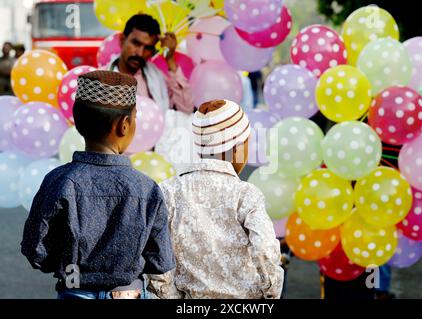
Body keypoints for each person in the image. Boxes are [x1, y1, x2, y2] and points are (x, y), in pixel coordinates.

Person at [21, 71, 177, 299]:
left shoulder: (59, 181)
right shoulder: (146, 188)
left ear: (77, 121)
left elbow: (36, 249)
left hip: (75, 288)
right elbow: (160, 259)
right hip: (129, 292)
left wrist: (68, 264)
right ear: (125, 125)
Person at [159, 99, 285, 299]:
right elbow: (265, 251)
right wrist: (270, 293)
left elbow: (158, 258)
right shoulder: (245, 195)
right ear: (236, 148)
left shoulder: (168, 191)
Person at [108, 14, 196, 165]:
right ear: (122, 41)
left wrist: (170, 59)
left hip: (156, 162)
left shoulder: (156, 79)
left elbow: (186, 108)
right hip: (117, 164)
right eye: (136, 43)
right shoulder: (104, 80)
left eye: (148, 48)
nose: (140, 53)